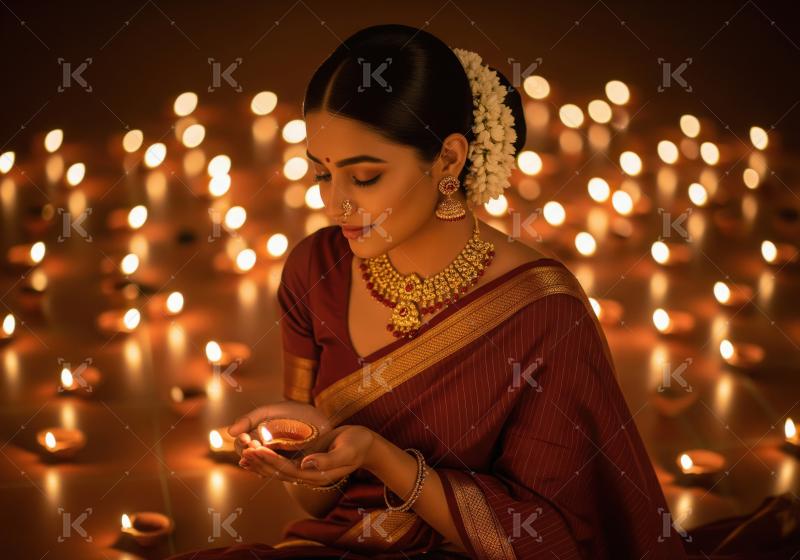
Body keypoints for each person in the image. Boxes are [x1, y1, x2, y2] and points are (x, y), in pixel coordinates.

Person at [168, 23, 688, 559]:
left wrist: (384, 458)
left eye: (364, 178)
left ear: (448, 160)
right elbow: (318, 511)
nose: (334, 205)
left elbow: (549, 539)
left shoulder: (544, 312)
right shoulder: (315, 270)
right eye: (321, 174)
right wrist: (312, 457)